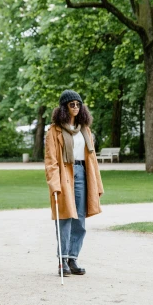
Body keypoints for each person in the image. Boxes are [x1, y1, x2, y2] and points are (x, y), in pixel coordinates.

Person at [45, 90, 104, 277]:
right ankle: (62, 260)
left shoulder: (85, 130)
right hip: (64, 174)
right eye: (72, 104)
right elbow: (51, 160)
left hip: (83, 173)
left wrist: (98, 183)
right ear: (64, 107)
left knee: (80, 218)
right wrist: (55, 184)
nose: (76, 107)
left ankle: (73, 258)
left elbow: (92, 158)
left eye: (78, 104)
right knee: (65, 217)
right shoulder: (54, 131)